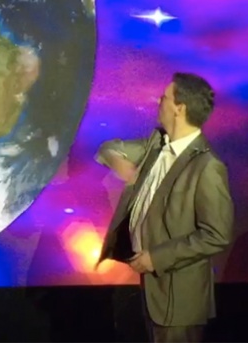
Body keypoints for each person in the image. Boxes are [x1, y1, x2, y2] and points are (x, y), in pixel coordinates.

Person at [95, 72, 234, 343]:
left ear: (179, 108)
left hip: (179, 301)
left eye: (164, 97)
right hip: (154, 292)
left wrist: (155, 258)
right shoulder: (156, 146)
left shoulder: (207, 167)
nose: (158, 101)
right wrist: (116, 160)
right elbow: (108, 148)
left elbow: (216, 235)